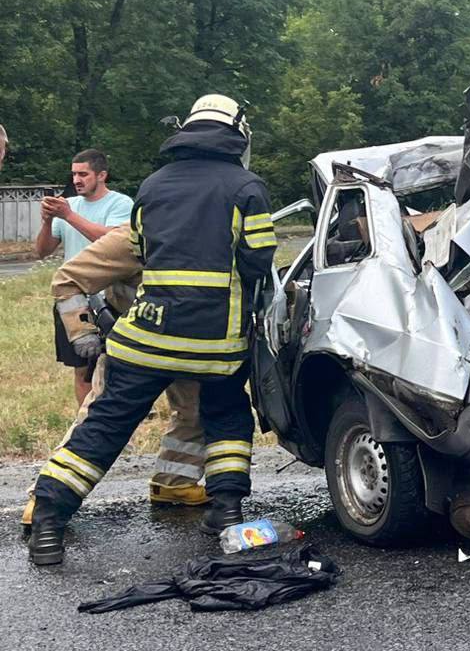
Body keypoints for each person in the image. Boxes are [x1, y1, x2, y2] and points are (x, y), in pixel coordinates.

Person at [29, 95, 277, 566]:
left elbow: (140, 249)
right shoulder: (247, 187)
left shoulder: (153, 185)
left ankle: (48, 521)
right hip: (216, 346)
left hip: (145, 338)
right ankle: (226, 511)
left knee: (105, 425)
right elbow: (258, 258)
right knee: (226, 417)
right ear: (237, 133)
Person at [20, 225, 211, 528]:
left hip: (187, 344)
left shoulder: (208, 233)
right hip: (133, 350)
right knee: (98, 422)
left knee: (195, 412)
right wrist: (81, 331)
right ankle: (45, 499)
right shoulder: (134, 236)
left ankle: (175, 482)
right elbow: (67, 278)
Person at [35, 149, 134, 406]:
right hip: (73, 302)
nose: (77, 180)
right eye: (74, 174)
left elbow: (112, 243)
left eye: (83, 174)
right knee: (83, 370)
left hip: (112, 300)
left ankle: (117, 429)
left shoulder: (121, 205)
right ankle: (86, 428)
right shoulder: (70, 205)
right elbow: (42, 251)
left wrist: (68, 215)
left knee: (118, 369)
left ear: (102, 175)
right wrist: (47, 221)